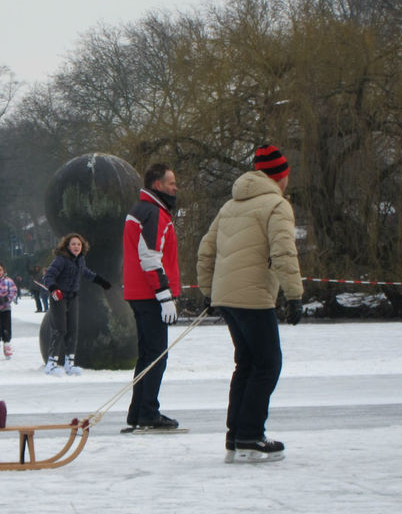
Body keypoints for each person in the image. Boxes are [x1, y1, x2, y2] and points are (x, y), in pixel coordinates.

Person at [196, 144, 303, 463]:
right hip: (254, 296)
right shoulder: (276, 205)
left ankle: (236, 434)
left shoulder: (229, 206)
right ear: (280, 176)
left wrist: (207, 290)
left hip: (227, 296)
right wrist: (294, 294)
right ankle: (251, 434)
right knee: (268, 364)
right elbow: (284, 251)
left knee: (246, 364)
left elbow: (206, 249)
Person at [122, 163, 182, 431]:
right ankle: (148, 412)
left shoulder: (141, 210)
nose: (175, 187)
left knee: (147, 355)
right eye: (171, 182)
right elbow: (150, 257)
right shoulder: (154, 213)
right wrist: (164, 294)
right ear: (158, 184)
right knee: (157, 355)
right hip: (149, 294)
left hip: (139, 292)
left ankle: (138, 412)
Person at [41, 233, 111, 377]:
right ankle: (51, 364)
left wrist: (101, 281)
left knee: (73, 329)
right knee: (60, 329)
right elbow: (48, 276)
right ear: (67, 245)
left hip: (72, 298)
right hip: (59, 298)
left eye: (79, 244)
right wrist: (54, 289)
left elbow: (86, 273)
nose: (76, 247)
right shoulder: (61, 260)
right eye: (73, 244)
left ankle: (69, 363)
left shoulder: (80, 260)